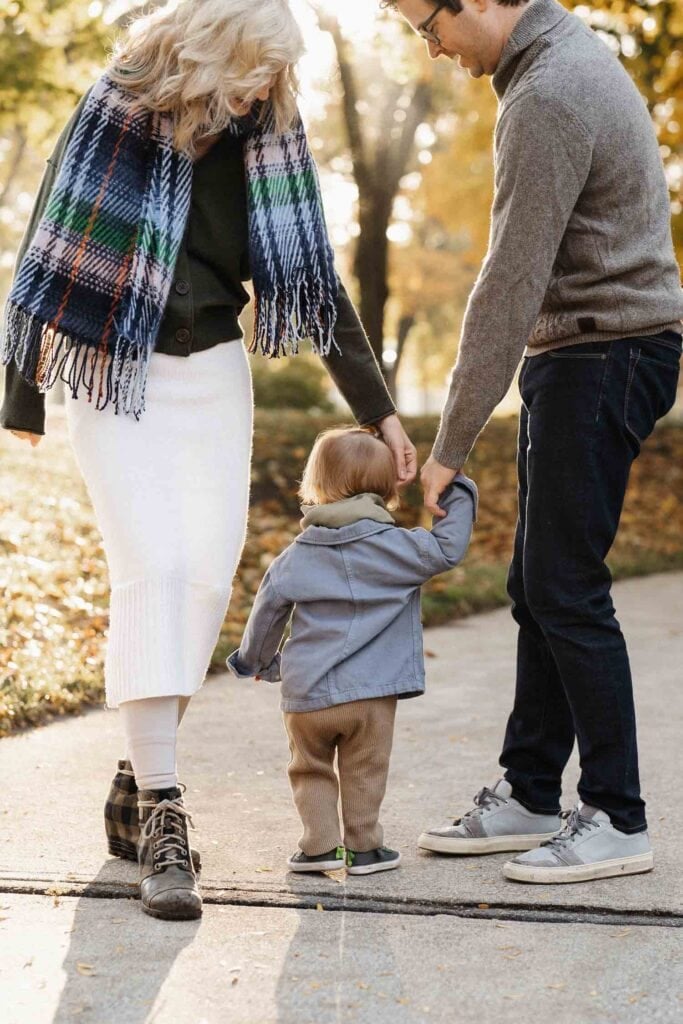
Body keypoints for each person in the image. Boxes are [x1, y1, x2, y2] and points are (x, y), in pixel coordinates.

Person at [1, 0, 417, 920]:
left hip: (214, 369)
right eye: (255, 67)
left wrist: (378, 410)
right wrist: (22, 393)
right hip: (111, 361)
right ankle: (164, 816)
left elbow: (311, 279)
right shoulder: (117, 103)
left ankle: (134, 772)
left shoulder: (269, 133)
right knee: (156, 567)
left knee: (205, 580)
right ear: (210, 50)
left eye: (276, 72)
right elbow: (50, 238)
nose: (267, 87)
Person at [387, 0, 683, 882]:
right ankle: (528, 792)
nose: (430, 47)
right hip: (593, 348)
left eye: (426, 24)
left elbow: (507, 286)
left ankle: (618, 817)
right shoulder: (553, 66)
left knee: (564, 586)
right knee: (537, 583)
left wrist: (447, 448)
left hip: (603, 350)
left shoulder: (548, 93)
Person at [227, 427, 478, 875]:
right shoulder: (400, 549)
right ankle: (364, 848)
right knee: (365, 769)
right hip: (371, 695)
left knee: (310, 769)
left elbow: (267, 614)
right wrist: (456, 489)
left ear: (317, 485)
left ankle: (319, 847)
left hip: (307, 696)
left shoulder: (294, 557)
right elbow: (447, 548)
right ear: (385, 489)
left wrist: (257, 662)